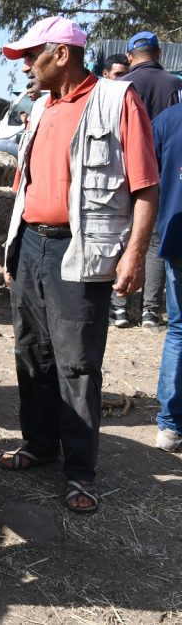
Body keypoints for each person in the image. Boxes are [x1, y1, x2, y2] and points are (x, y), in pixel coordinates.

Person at [0, 16, 159, 513]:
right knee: (32, 352)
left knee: (77, 363)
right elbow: (25, 184)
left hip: (80, 249)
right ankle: (40, 443)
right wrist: (13, 246)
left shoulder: (115, 100)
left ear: (61, 54)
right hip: (31, 245)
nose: (26, 66)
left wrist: (133, 253)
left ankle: (81, 471)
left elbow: (146, 186)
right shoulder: (42, 107)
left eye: (32, 56)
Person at [111, 31, 181, 328]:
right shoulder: (174, 85)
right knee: (153, 241)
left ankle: (119, 308)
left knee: (122, 238)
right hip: (160, 177)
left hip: (123, 174)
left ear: (129, 57)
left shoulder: (116, 88)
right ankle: (151, 311)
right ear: (160, 53)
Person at [153, 102, 182, 452]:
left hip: (178, 234)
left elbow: (146, 175)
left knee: (178, 329)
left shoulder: (168, 120)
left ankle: (171, 426)